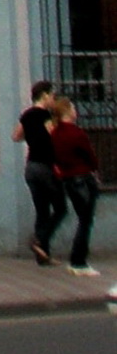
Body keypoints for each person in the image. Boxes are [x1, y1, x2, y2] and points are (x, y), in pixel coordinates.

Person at [46, 94, 102, 277]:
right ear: (68, 111)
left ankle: (77, 261)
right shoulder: (76, 133)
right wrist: (94, 170)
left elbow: (54, 157)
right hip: (83, 179)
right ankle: (79, 262)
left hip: (68, 180)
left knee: (82, 219)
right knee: (86, 222)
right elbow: (91, 157)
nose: (76, 111)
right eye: (73, 108)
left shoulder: (55, 133)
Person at [14, 79, 64, 264]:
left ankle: (43, 256)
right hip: (46, 167)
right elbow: (55, 139)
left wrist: (32, 136)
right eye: (52, 95)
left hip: (31, 167)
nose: (54, 99)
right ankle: (39, 240)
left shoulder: (26, 115)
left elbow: (16, 136)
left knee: (42, 210)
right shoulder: (47, 116)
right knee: (60, 208)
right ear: (44, 96)